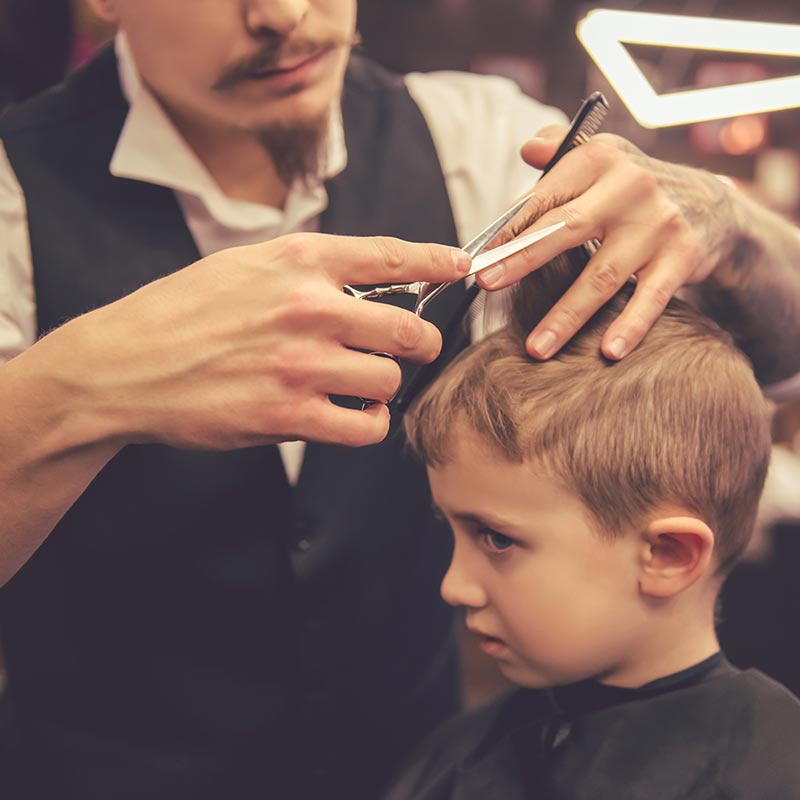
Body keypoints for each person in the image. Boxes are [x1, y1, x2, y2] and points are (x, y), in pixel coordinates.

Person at [0, 1, 798, 798]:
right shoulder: (15, 198)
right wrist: (83, 385)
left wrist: (721, 226)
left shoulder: (477, 143)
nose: (282, 13)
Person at [387, 253, 800, 799]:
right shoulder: (455, 757)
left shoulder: (769, 773)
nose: (453, 586)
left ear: (668, 555)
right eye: (454, 532)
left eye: (497, 538)